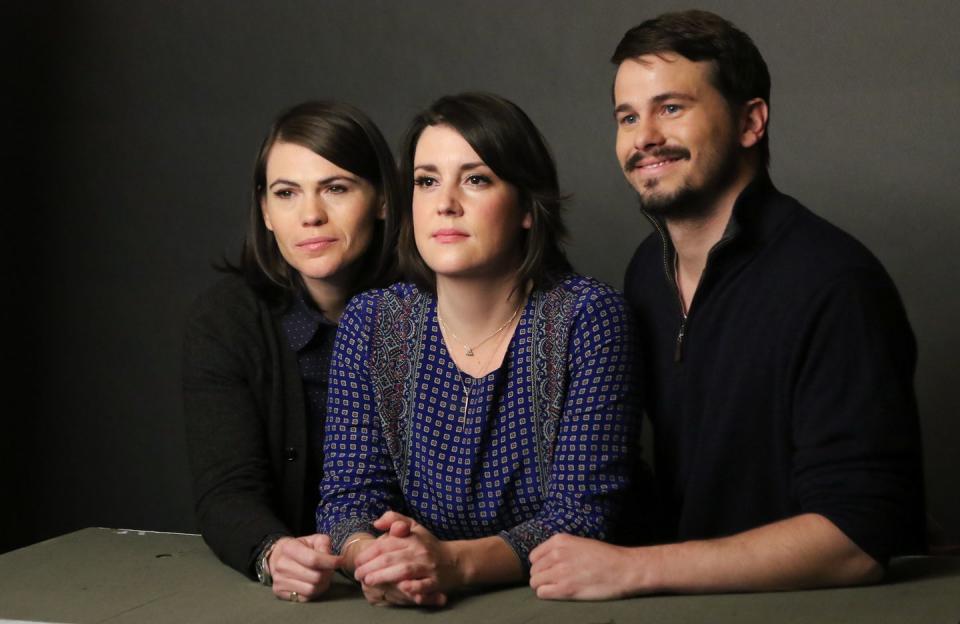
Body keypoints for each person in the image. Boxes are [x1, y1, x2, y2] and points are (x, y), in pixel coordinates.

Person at [529, 9, 925, 599]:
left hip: (813, 611)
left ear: (750, 121)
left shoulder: (835, 283)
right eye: (628, 117)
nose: (644, 138)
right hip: (687, 607)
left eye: (671, 108)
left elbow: (857, 540)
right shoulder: (645, 273)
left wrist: (635, 569)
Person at [316, 92, 641, 607]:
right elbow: (348, 497)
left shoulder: (585, 318)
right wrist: (373, 557)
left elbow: (582, 518)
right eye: (426, 181)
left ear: (527, 208)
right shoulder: (373, 322)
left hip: (557, 605)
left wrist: (453, 563)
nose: (445, 202)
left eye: (476, 179)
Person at [182, 101, 401, 602]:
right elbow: (226, 487)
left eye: (337, 188)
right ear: (266, 211)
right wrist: (273, 552)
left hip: (411, 576)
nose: (311, 216)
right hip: (298, 592)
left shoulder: (431, 308)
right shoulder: (227, 320)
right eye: (286, 193)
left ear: (384, 200)